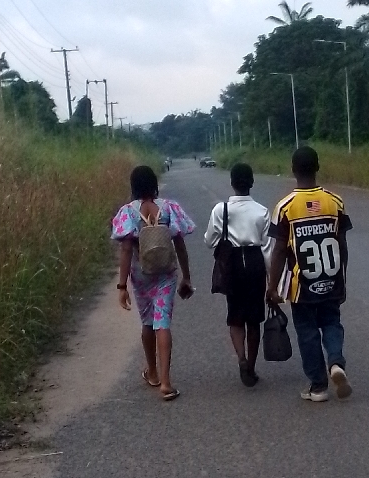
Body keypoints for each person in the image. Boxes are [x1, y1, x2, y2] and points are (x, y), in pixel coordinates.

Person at [267, 146, 353, 402]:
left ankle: (318, 387)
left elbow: (279, 250)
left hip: (301, 285)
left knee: (307, 332)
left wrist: (272, 286)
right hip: (331, 279)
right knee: (332, 323)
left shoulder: (285, 207)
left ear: (293, 170)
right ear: (318, 168)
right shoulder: (335, 202)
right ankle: (335, 361)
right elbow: (342, 245)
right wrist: (342, 279)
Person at [112, 165, 195, 401]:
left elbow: (126, 250)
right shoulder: (168, 208)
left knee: (147, 322)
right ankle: (166, 384)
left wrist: (122, 286)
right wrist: (186, 276)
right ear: (154, 184)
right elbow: (180, 245)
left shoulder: (128, 212)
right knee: (163, 322)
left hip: (141, 275)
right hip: (166, 273)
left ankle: (153, 372)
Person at [205, 162, 271, 387]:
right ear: (252, 182)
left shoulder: (220, 210)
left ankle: (241, 358)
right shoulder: (262, 211)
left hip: (231, 264)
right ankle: (251, 366)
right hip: (254, 262)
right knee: (254, 319)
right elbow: (268, 249)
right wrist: (272, 282)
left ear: (232, 183)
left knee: (235, 315)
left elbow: (209, 241)